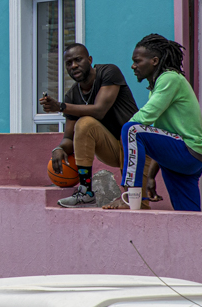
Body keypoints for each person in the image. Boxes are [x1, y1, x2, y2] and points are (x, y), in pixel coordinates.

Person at [39, 43, 139, 208]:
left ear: (90, 60)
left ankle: (130, 197)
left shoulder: (108, 72)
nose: (74, 66)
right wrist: (59, 149)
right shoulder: (72, 95)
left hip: (137, 145)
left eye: (78, 59)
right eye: (69, 63)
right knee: (84, 124)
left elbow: (100, 110)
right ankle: (85, 192)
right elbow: (69, 138)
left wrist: (61, 107)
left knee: (137, 204)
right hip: (112, 148)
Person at [118, 33, 202, 211]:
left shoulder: (169, 78)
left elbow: (145, 117)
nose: (133, 66)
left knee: (132, 130)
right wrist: (152, 175)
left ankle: (132, 196)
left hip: (186, 151)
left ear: (154, 61)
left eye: (137, 61)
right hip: (190, 157)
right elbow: (163, 132)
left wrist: (125, 131)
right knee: (188, 216)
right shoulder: (160, 84)